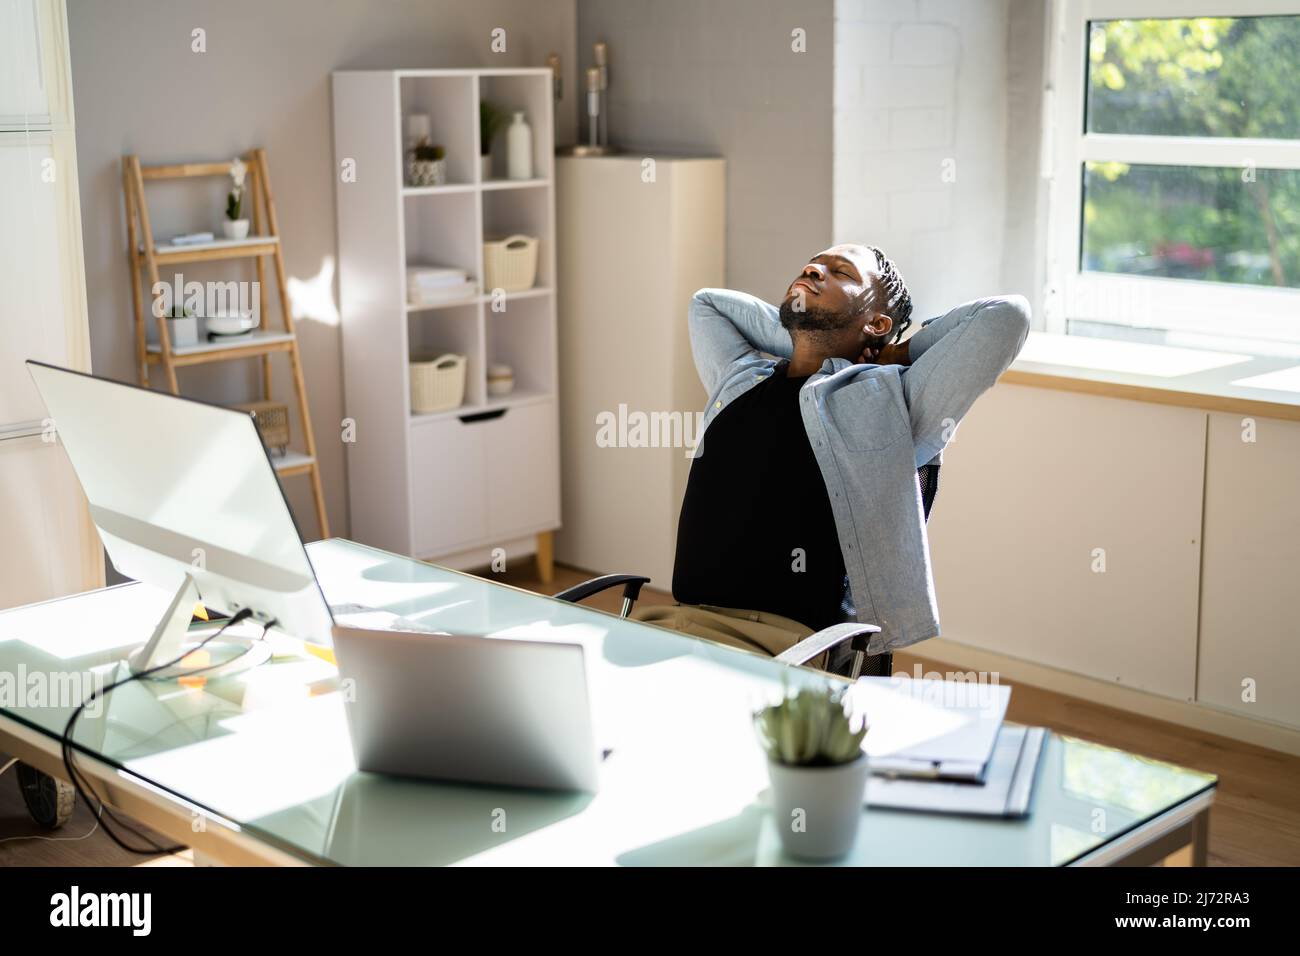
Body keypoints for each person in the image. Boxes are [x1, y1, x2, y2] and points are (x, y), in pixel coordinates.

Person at [632, 243, 1030, 671]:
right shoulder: (739, 381)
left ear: (878, 322)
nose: (813, 269)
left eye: (841, 272)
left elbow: (1007, 315)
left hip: (787, 651)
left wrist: (896, 351)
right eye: (813, 264)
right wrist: (810, 338)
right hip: (679, 626)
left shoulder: (894, 404)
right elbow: (707, 304)